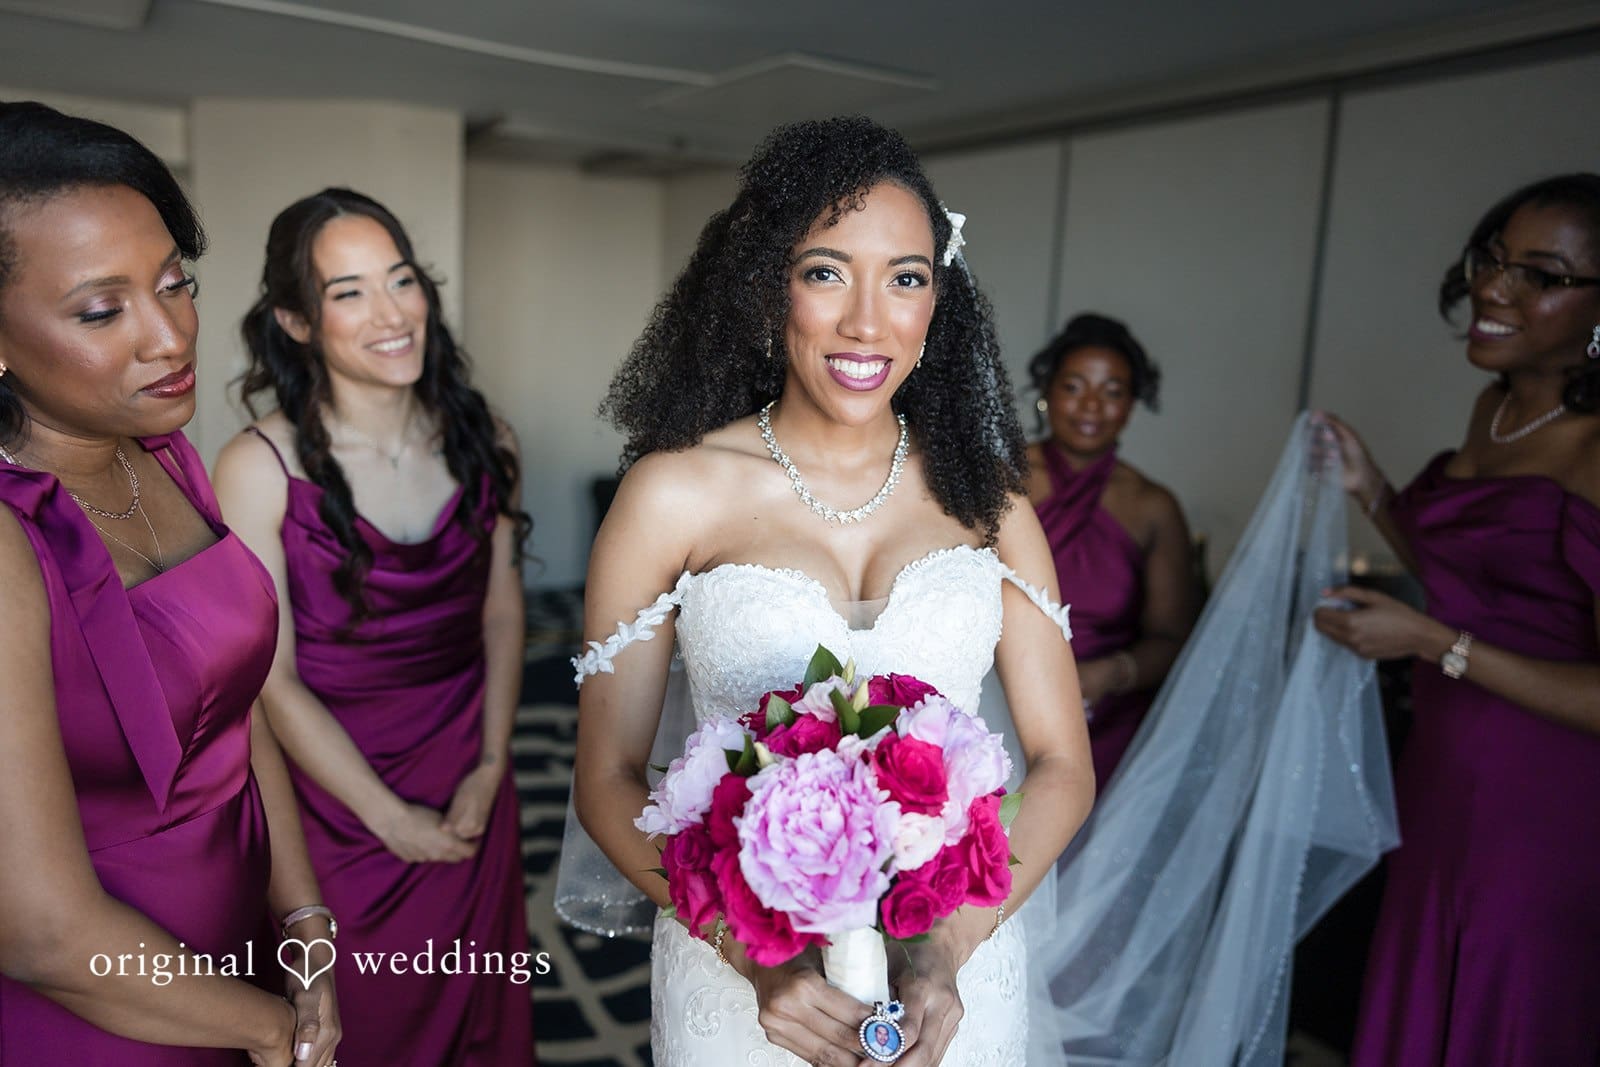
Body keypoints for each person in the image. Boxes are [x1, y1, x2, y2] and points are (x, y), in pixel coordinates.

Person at [567, 116, 1094, 1067]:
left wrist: (946, 949)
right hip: (748, 988)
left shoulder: (989, 498)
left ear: (939, 300)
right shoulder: (672, 491)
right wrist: (750, 952)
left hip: (957, 976)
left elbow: (1062, 763)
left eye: (906, 278)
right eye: (825, 272)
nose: (867, 322)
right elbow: (608, 777)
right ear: (767, 286)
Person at [0, 102, 339, 1066]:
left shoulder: (165, 454)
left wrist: (303, 922)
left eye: (174, 284)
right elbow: (40, 932)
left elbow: (234, 706)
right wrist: (268, 1031)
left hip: (240, 960)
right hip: (104, 1014)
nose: (169, 336)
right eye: (101, 311)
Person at [213, 189, 534, 1065]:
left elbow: (502, 613)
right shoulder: (257, 467)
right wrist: (388, 817)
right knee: (364, 1020)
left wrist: (491, 765)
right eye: (349, 292)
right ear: (296, 322)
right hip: (335, 801)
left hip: (470, 769)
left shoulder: (489, 439)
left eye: (401, 279)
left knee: (478, 1016)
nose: (392, 314)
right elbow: (271, 679)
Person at [1315, 173, 1600, 1066]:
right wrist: (1373, 489)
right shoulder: (1498, 407)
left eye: (1541, 275)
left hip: (1542, 802)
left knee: (1500, 1004)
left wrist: (1434, 645)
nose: (1494, 288)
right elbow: (1480, 581)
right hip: (1443, 776)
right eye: (1493, 259)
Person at [1025, 313, 1198, 787]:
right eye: (1074, 387)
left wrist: (1110, 674)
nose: (1091, 406)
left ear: (1131, 406)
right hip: (999, 701)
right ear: (1047, 391)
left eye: (1112, 392)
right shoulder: (1000, 480)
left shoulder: (1153, 507)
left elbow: (1173, 639)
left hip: (1108, 724)